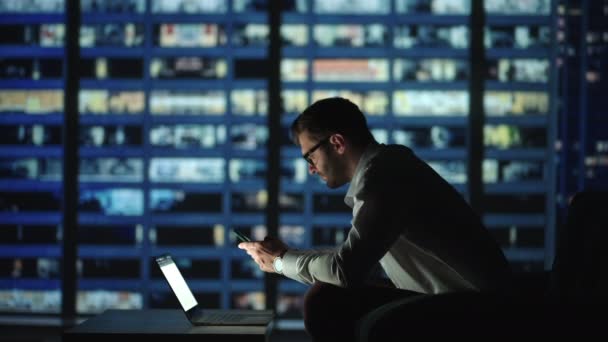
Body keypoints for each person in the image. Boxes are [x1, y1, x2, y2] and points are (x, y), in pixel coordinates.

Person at [238, 97, 513, 341]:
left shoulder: (382, 178)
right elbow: (351, 261)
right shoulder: (387, 167)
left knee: (326, 302)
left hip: (475, 310)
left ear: (337, 142)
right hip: (467, 302)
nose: (310, 169)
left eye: (310, 156)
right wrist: (286, 256)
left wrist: (278, 262)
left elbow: (345, 270)